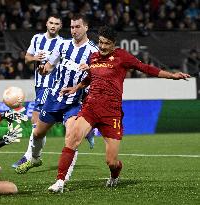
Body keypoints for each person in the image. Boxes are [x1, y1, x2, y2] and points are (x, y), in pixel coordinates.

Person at [48, 25, 191, 193]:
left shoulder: (122, 57)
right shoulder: (93, 57)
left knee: (111, 161)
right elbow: (90, 77)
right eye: (100, 42)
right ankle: (60, 181)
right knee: (72, 138)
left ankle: (115, 175)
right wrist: (75, 88)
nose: (102, 46)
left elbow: (145, 68)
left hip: (111, 113)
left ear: (113, 44)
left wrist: (172, 76)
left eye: (106, 43)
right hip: (90, 107)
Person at [15, 14, 99, 181]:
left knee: (71, 138)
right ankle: (35, 158)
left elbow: (100, 75)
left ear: (86, 28)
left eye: (77, 27)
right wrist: (43, 70)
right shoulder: (63, 44)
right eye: (72, 27)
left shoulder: (93, 51)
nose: (74, 30)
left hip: (74, 102)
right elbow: (49, 65)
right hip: (54, 98)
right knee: (38, 133)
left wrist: (90, 68)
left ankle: (63, 179)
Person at [11, 14, 63, 168]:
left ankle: (29, 157)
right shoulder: (37, 39)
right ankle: (35, 156)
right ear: (46, 23)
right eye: (51, 22)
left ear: (60, 26)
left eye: (57, 24)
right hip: (39, 86)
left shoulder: (62, 43)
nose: (53, 26)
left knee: (36, 121)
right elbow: (27, 58)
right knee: (39, 124)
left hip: (51, 86)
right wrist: (35, 58)